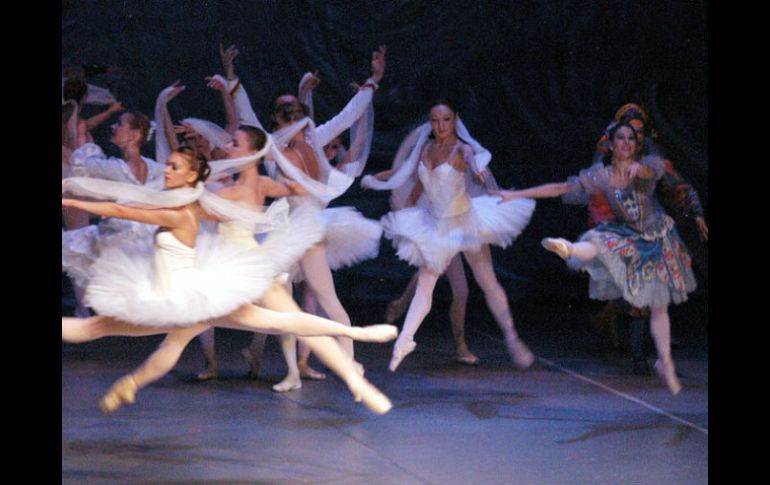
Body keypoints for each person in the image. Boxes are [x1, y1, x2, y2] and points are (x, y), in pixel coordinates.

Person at [62, 147, 397, 415]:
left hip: (207, 283)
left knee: (105, 329)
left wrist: (74, 201)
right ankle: (355, 343)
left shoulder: (199, 204)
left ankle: (353, 352)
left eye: (174, 167)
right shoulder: (209, 200)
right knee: (271, 322)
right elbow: (161, 206)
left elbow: (130, 211)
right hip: (207, 287)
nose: (166, 170)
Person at [494, 121, 696, 394]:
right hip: (628, 235)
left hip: (656, 236)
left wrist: (642, 170)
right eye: (621, 138)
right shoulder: (601, 175)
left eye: (631, 139)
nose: (626, 143)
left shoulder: (649, 163)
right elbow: (560, 188)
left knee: (659, 304)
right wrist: (515, 194)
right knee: (600, 240)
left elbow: (652, 171)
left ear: (637, 145)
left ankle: (666, 363)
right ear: (611, 145)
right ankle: (569, 248)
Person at [362, 100, 536, 371]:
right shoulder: (427, 149)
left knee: (486, 280)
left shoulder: (461, 149)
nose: (440, 126)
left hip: (464, 222)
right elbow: (407, 173)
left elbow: (478, 165)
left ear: (455, 119)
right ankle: (404, 341)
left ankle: (511, 337)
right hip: (437, 226)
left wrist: (489, 184)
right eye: (434, 120)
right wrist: (374, 179)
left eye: (445, 120)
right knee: (426, 285)